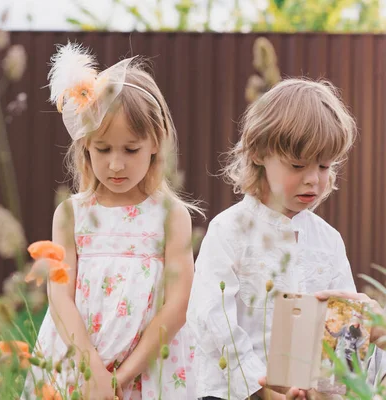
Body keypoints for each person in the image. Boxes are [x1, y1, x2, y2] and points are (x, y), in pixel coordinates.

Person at [22, 43, 200, 399]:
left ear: (156, 144)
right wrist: (91, 372)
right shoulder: (72, 213)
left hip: (149, 368)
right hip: (77, 360)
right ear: (85, 146)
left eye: (130, 149)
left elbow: (178, 306)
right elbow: (59, 294)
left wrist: (120, 378)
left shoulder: (171, 215)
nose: (116, 165)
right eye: (103, 149)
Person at [187, 78, 357, 400]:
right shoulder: (229, 231)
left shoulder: (328, 241)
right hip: (234, 393)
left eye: (324, 166)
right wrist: (262, 387)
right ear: (258, 153)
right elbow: (211, 319)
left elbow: (343, 326)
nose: (313, 179)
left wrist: (329, 389)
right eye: (297, 165)